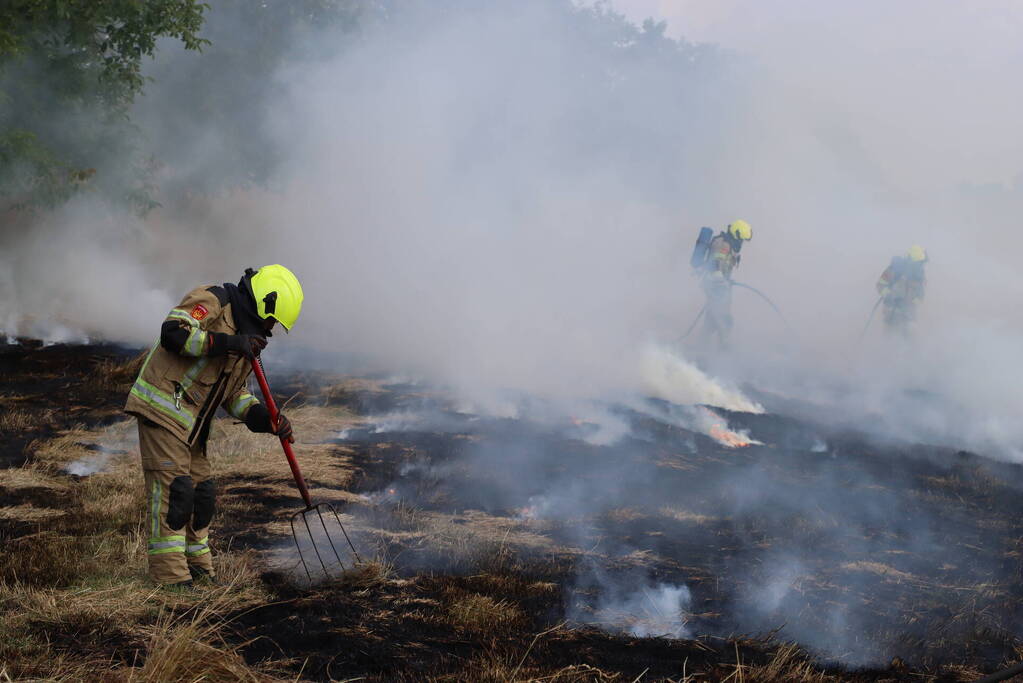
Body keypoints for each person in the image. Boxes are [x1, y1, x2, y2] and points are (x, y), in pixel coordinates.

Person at [124, 264, 304, 587]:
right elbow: (174, 333)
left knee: (202, 494)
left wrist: (267, 420)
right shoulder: (214, 301)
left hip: (191, 427)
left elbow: (234, 396)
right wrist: (231, 344)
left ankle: (200, 570)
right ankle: (172, 580)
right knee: (175, 492)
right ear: (264, 303)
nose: (270, 329)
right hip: (162, 409)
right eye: (272, 320)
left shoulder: (244, 339)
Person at [696, 220, 752, 347]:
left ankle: (701, 347)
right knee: (724, 320)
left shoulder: (727, 244)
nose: (741, 242)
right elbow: (716, 264)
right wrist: (721, 280)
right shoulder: (724, 245)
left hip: (718, 286)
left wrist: (726, 280)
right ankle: (723, 349)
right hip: (715, 286)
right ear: (736, 235)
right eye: (741, 239)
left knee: (712, 318)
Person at [876, 246, 927, 335]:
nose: (920, 266)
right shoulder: (894, 270)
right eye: (918, 263)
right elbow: (880, 285)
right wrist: (890, 296)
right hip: (892, 312)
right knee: (891, 338)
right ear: (911, 261)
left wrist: (912, 303)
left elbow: (920, 295)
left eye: (921, 263)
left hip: (908, 315)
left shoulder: (919, 276)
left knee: (910, 341)